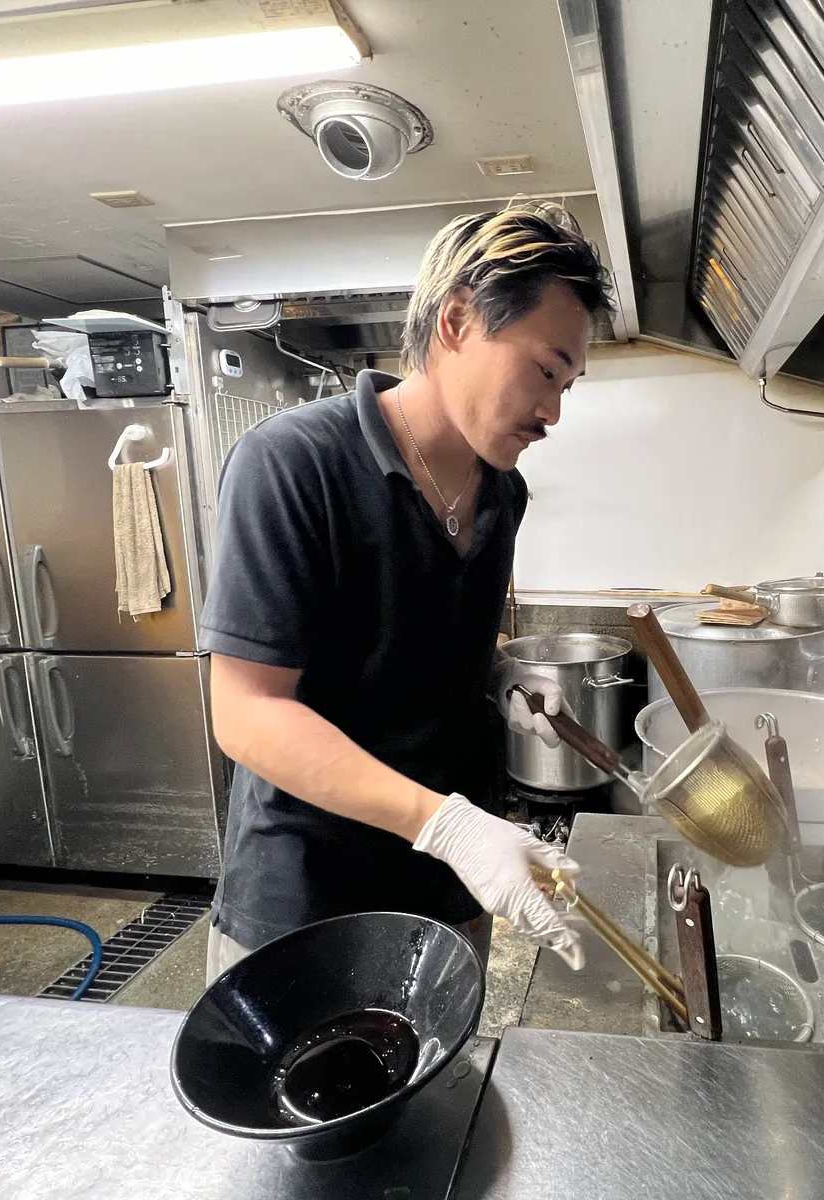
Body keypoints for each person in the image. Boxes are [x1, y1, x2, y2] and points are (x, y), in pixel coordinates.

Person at [200, 202, 613, 982]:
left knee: (435, 1100)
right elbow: (248, 712)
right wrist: (450, 827)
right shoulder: (292, 464)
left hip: (447, 896)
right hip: (307, 905)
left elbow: (423, 641)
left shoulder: (502, 493)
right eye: (547, 370)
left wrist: (497, 678)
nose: (554, 411)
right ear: (457, 322)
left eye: (569, 384)